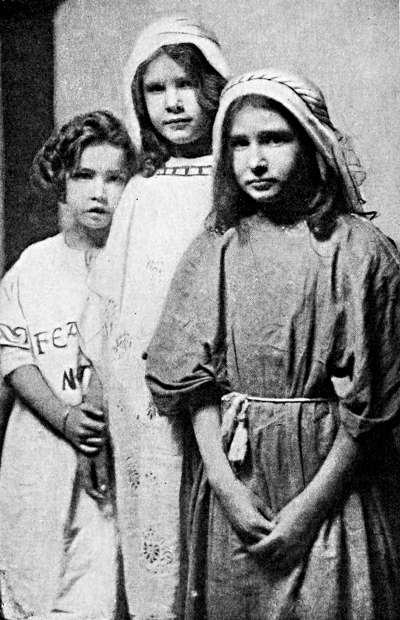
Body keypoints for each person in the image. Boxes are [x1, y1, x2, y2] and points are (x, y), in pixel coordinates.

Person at [146, 69, 400, 619]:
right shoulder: (216, 247)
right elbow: (190, 381)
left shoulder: (360, 252)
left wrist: (308, 512)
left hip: (329, 484)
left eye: (274, 140)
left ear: (312, 145)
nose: (255, 161)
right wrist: (225, 487)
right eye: (240, 144)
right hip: (238, 482)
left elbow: (372, 406)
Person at [79, 15, 229, 619]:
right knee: (153, 537)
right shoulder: (141, 189)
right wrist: (96, 403)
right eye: (155, 89)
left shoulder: (232, 182)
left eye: (185, 84)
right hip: (137, 401)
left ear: (213, 87)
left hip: (213, 389)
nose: (172, 103)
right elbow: (108, 303)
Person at [0, 110, 136, 619]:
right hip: (42, 445)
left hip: (108, 454)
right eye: (84, 175)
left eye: (114, 178)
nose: (99, 192)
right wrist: (64, 418)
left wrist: (92, 425)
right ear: (62, 180)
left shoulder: (134, 265)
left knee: (97, 585)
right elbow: (13, 355)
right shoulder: (35, 265)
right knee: (35, 582)